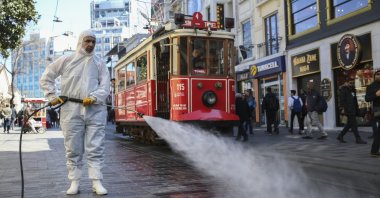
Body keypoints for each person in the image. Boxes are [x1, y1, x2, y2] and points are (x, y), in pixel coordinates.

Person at [40, 30, 110, 195]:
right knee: (73, 148)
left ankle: (96, 181)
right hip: (71, 110)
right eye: (87, 41)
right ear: (80, 41)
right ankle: (75, 182)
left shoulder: (99, 63)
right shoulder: (66, 60)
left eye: (93, 41)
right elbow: (47, 77)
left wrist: (94, 97)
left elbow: (105, 86)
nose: (90, 44)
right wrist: (51, 95)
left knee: (96, 147)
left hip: (95, 110)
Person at [337, 77, 367, 144]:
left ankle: (340, 135)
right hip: (348, 109)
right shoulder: (343, 89)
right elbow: (342, 100)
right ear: (346, 82)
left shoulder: (353, 90)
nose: (351, 84)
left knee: (349, 124)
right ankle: (358, 139)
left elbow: (356, 99)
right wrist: (343, 109)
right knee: (354, 124)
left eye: (353, 82)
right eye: (350, 82)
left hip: (353, 109)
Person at [365, 70, 380, 157]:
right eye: (378, 74)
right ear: (374, 76)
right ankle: (374, 151)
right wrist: (376, 95)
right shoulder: (371, 86)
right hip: (378, 111)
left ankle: (374, 151)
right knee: (378, 132)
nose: (379, 76)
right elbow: (367, 98)